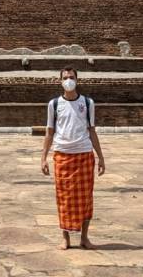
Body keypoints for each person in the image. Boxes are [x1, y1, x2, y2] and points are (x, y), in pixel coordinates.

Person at [40, 66, 106, 250]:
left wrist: (100, 157)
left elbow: (92, 130)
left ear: (77, 80)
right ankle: (65, 238)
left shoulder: (87, 103)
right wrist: (43, 157)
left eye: (71, 77)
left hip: (84, 154)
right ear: (60, 81)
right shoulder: (54, 104)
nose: (68, 80)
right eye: (65, 77)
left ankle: (84, 237)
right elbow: (49, 131)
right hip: (62, 155)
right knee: (64, 198)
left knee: (86, 199)